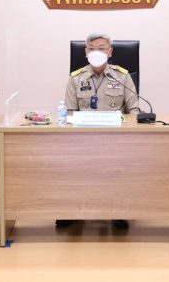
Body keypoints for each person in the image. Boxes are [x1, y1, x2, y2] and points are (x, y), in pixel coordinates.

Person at [60, 32, 140, 230]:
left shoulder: (122, 76)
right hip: (83, 140)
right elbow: (69, 114)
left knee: (119, 164)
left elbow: (134, 111)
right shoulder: (75, 79)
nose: (96, 52)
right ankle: (72, 209)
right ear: (85, 52)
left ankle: (118, 210)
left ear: (110, 52)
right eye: (92, 49)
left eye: (101, 49)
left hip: (116, 141)